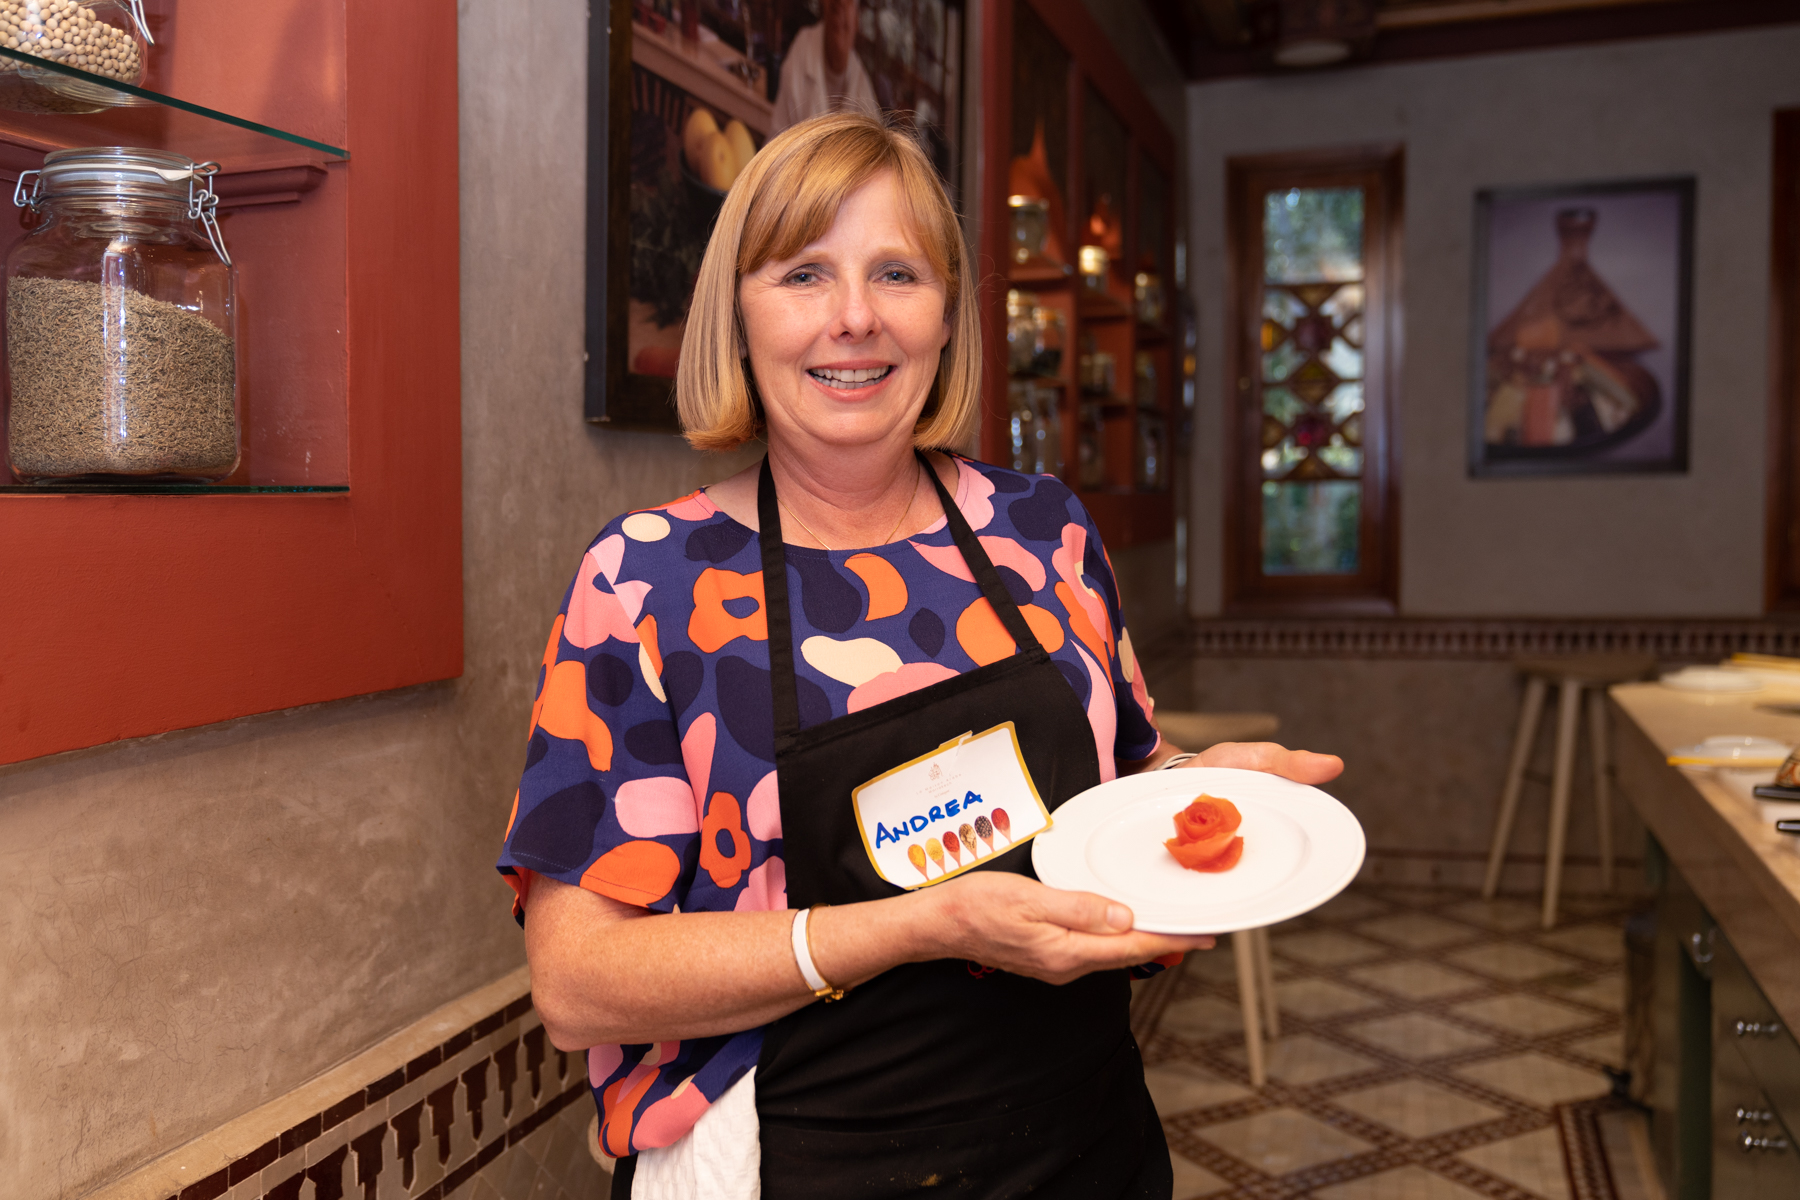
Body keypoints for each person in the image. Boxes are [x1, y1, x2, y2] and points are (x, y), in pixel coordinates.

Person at [498, 111, 1343, 1199]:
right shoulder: (645, 584)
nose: (855, 319)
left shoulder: (1041, 530)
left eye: (896, 272)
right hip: (795, 1157)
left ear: (946, 316)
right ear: (738, 318)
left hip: (1081, 1141)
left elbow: (1123, 783)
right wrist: (918, 926)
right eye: (804, 275)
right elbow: (579, 982)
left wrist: (1199, 788)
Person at [768, 0, 878, 136]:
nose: (839, 21)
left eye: (848, 4)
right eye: (835, 8)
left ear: (856, 22)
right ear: (824, 8)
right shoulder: (804, 49)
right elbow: (779, 135)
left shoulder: (863, 89)